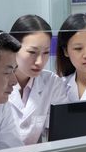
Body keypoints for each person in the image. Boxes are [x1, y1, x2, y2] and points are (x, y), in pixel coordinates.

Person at [9, 14, 67, 144]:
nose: (40, 62)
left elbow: (62, 132)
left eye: (46, 52)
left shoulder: (52, 83)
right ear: (12, 48)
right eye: (32, 52)